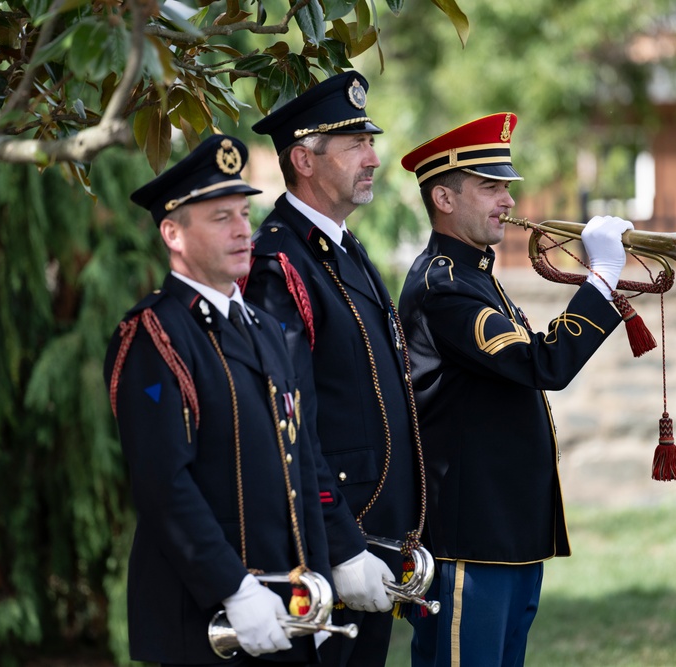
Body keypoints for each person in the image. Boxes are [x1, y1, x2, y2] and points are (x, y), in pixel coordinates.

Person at [397, 113, 634, 667]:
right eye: (490, 187)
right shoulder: (445, 285)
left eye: (506, 187)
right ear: (445, 199)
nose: (506, 201)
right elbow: (542, 363)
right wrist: (600, 280)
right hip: (469, 543)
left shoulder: (476, 277)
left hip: (505, 537)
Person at [103, 134, 337, 667]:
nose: (241, 230)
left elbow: (297, 465)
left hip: (286, 606)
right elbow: (164, 484)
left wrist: (317, 581)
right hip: (209, 621)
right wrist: (232, 586)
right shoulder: (156, 333)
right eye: (219, 217)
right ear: (173, 233)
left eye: (243, 213)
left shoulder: (261, 327)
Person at [242, 71, 427, 667]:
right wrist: (343, 548)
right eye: (355, 145)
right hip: (329, 546)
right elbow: (286, 420)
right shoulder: (280, 261)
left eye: (370, 142)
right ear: (304, 159)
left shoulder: (342, 247)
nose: (374, 158)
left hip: (375, 540)